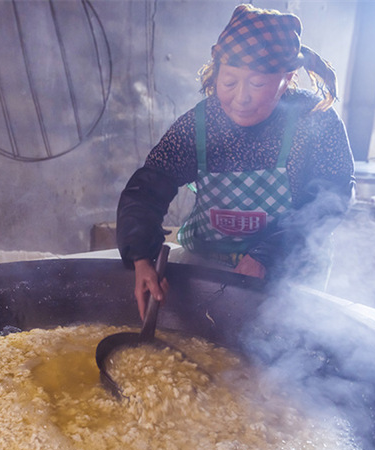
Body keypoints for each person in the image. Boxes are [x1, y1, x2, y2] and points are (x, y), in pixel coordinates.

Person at [116, 3, 354, 319]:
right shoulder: (200, 124)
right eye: (228, 82)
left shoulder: (315, 122)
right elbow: (147, 189)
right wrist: (141, 257)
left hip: (290, 269)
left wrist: (268, 255)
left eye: (256, 84)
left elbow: (330, 200)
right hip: (207, 266)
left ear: (287, 77)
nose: (241, 97)